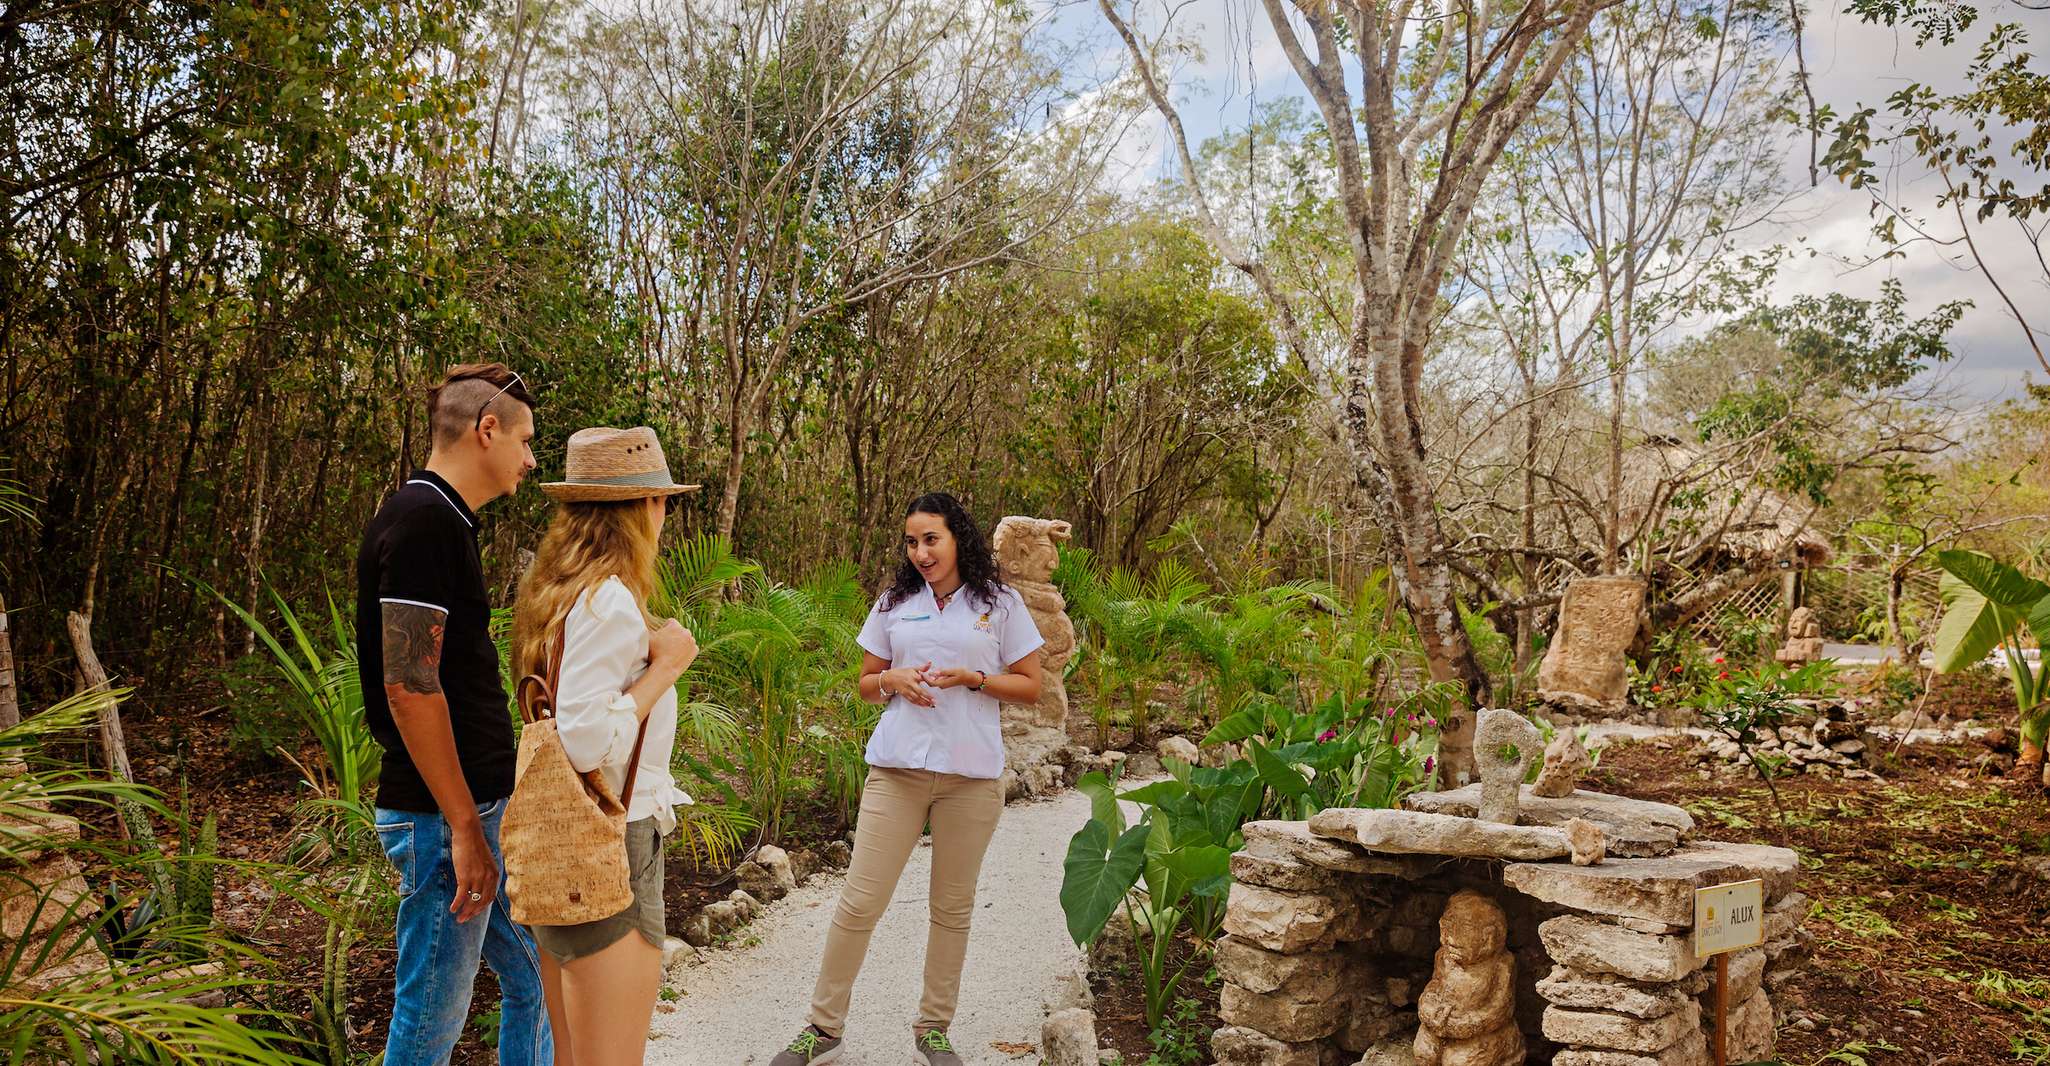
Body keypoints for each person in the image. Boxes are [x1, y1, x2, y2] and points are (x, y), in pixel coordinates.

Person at [771, 492, 1044, 1066]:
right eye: (912, 541)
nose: (921, 551)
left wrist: (975, 678)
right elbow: (867, 682)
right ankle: (823, 1029)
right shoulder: (896, 601)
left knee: (951, 907)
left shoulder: (1001, 602)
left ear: (957, 538)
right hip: (897, 770)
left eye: (931, 539)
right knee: (859, 902)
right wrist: (893, 679)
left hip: (971, 779)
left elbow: (1030, 686)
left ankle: (933, 1029)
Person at [356, 363, 550, 1065]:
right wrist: (465, 828)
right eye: (525, 440)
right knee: (430, 1020)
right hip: (444, 819)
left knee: (537, 977)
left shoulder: (443, 521)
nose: (530, 459)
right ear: (487, 429)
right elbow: (409, 685)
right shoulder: (422, 523)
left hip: (474, 810)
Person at [511, 426, 701, 1066]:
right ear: (643, 508)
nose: (665, 514)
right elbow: (586, 741)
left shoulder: (557, 595)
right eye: (663, 500)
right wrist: (665, 667)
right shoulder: (609, 601)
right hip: (610, 842)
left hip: (558, 840)